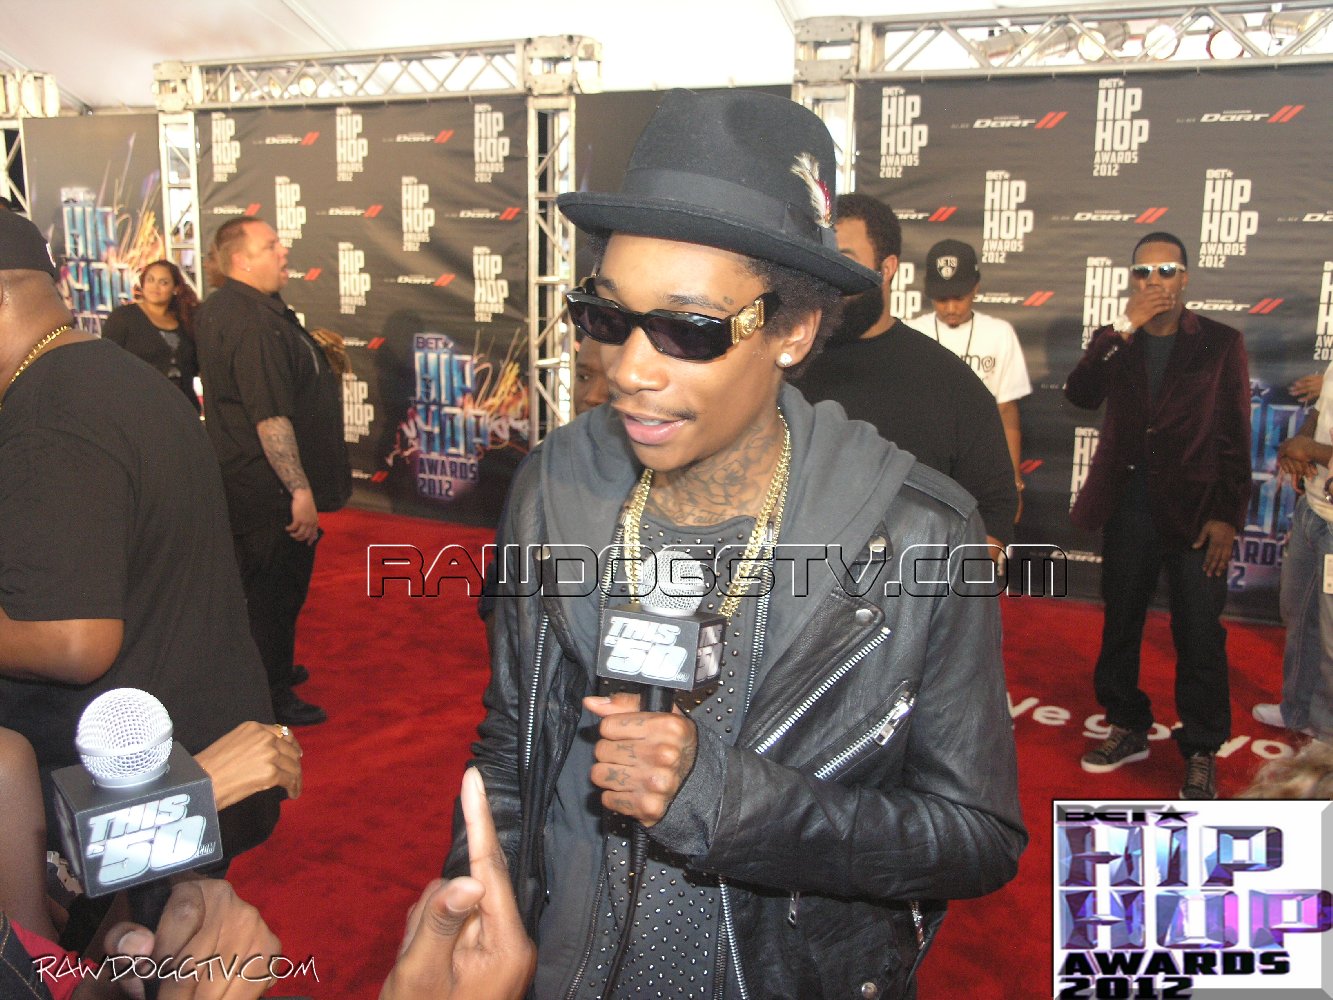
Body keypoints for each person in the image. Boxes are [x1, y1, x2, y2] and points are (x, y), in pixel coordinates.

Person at [446, 88, 1025, 999]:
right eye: (605, 317)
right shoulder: (552, 484)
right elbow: (512, 743)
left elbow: (973, 837)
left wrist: (726, 802)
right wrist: (479, 896)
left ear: (792, 331)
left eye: (688, 330)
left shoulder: (920, 534)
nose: (629, 369)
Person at [0, 210, 292, 871]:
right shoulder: (110, 375)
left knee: (130, 942)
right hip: (178, 761)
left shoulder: (51, 414)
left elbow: (73, 641)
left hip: (128, 799)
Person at [1066, 231, 1251, 799]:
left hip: (1197, 515)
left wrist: (1227, 516)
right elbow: (1080, 394)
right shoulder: (1117, 340)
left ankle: (1201, 747)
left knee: (1198, 633)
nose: (1155, 281)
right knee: (1120, 622)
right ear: (1132, 279)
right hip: (1129, 507)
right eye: (1144, 272)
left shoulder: (1220, 342)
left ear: (1186, 278)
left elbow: (1235, 434)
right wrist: (1125, 325)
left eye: (1167, 270)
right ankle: (1127, 724)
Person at [194, 218, 351, 728]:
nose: (283, 252)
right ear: (241, 260)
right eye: (270, 246)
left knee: (263, 595)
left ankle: (271, 669)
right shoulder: (254, 322)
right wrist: (299, 490)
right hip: (267, 491)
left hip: (246, 483)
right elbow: (269, 417)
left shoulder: (229, 308)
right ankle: (270, 695)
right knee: (273, 597)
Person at [798, 193, 1017, 550]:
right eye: (822, 260)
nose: (830, 277)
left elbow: (994, 514)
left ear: (886, 269)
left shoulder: (952, 383)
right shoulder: (779, 370)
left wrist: (939, 585)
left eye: (845, 260)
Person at [904, 238, 1031, 510]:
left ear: (976, 288)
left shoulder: (999, 334)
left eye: (959, 298)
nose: (951, 308)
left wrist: (1014, 480)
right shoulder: (910, 332)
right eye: (942, 299)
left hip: (983, 466)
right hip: (925, 468)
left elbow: (1007, 411)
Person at [1258, 361, 1333, 740]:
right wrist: (1298, 448)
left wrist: (1311, 449)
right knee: (1299, 614)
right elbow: (1321, 409)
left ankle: (1327, 734)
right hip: (1312, 511)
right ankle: (1298, 710)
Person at [102, 260, 200, 411]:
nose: (155, 287)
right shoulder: (124, 317)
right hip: (139, 407)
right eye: (150, 280)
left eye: (163, 282)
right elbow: (107, 363)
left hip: (181, 407)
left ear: (175, 288)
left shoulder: (185, 320)